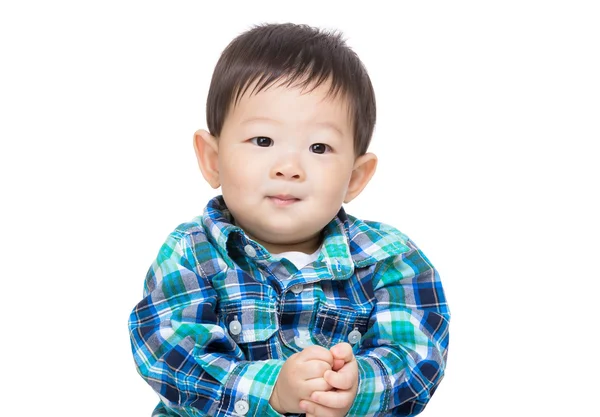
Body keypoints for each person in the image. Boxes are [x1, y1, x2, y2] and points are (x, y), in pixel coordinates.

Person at [128, 22, 450, 417]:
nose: (288, 167)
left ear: (355, 176)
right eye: (262, 141)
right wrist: (271, 391)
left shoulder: (389, 260)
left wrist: (359, 385)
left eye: (319, 147)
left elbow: (419, 355)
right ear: (212, 159)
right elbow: (168, 354)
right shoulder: (191, 253)